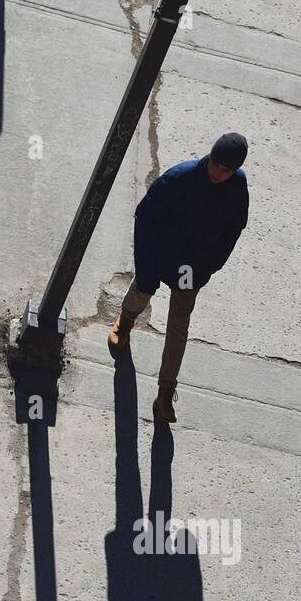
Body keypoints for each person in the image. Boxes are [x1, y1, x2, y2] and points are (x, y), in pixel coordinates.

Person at [107, 132, 249, 422]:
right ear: (209, 156)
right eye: (215, 165)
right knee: (142, 289)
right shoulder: (179, 178)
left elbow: (234, 228)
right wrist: (148, 266)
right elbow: (145, 218)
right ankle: (126, 320)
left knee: (179, 323)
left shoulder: (237, 186)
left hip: (193, 266)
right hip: (162, 254)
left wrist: (212, 264)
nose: (218, 174)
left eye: (226, 170)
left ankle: (164, 392)